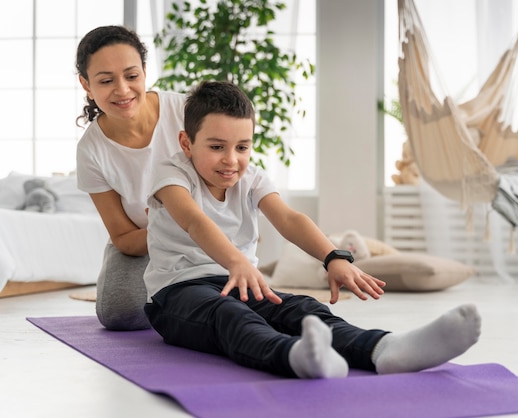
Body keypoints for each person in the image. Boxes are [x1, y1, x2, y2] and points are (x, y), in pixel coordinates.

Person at [143, 80, 482, 379]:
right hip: (177, 292)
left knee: (303, 307)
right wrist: (235, 261)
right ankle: (295, 356)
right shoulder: (170, 174)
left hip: (243, 283)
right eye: (217, 147)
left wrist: (334, 257)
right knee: (229, 315)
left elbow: (290, 219)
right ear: (186, 143)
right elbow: (194, 221)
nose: (231, 159)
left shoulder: (251, 178)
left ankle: (384, 349)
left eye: (242, 147)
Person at [75, 25, 187, 330]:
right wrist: (167, 226)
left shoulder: (187, 112)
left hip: (202, 231)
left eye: (131, 76)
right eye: (106, 80)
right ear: (86, 84)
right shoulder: (90, 150)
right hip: (142, 240)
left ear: (145, 72)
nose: (122, 90)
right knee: (118, 311)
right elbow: (123, 237)